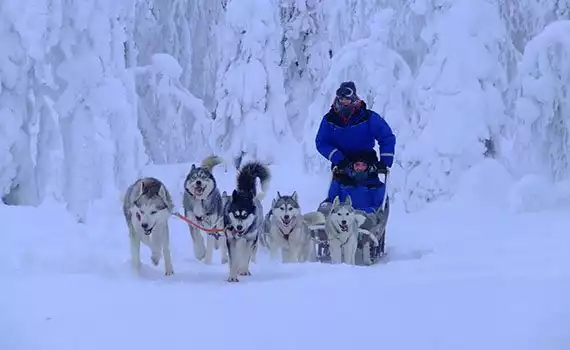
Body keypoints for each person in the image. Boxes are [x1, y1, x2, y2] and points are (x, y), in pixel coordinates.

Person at [315, 81, 396, 213]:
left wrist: (385, 162)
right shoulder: (330, 120)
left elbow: (386, 136)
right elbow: (321, 142)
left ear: (354, 99)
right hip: (343, 163)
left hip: (366, 162)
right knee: (338, 191)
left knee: (370, 191)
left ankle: (370, 215)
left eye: (347, 99)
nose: (343, 102)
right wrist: (337, 158)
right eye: (341, 99)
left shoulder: (367, 117)